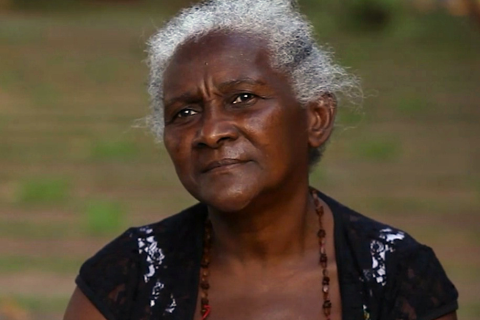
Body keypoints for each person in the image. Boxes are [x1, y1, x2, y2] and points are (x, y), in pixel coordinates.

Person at [63, 0, 459, 319]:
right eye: (184, 113)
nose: (211, 131)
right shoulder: (127, 275)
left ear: (316, 117)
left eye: (242, 99)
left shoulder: (396, 274)